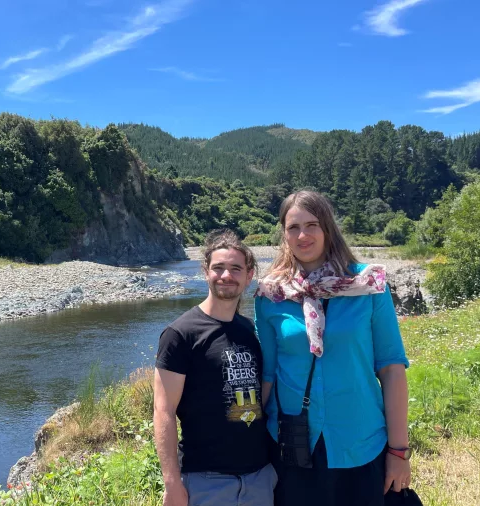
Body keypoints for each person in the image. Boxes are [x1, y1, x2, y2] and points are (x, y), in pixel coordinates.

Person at [255, 190, 412, 506]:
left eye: (312, 225)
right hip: (292, 444)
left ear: (328, 228)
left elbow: (392, 369)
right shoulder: (270, 295)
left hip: (360, 439)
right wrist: (246, 442)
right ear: (284, 234)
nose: (303, 235)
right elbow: (267, 376)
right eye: (293, 227)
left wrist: (398, 451)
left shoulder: (368, 286)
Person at [153, 229, 277, 506]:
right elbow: (164, 411)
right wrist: (171, 483)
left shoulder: (251, 331)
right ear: (205, 272)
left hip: (259, 478)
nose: (226, 275)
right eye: (218, 268)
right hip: (205, 481)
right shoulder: (180, 334)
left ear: (249, 275)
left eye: (235, 268)